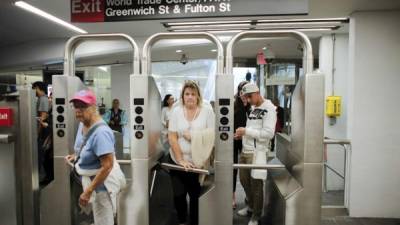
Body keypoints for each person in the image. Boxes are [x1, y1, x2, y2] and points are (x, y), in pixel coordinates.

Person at [65, 89, 126, 225]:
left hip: (101, 187)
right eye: (76, 106)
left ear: (94, 107)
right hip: (89, 183)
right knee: (96, 218)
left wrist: (88, 191)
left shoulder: (101, 133)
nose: (78, 110)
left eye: (83, 106)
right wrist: (77, 156)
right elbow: (87, 147)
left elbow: (107, 166)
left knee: (103, 220)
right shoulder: (83, 124)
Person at [168, 81, 215, 225]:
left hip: (197, 163)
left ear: (198, 96)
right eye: (187, 94)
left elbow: (213, 134)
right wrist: (180, 159)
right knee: (178, 196)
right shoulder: (176, 112)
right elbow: (172, 136)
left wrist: (194, 135)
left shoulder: (207, 111)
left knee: (195, 198)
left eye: (193, 94)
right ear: (182, 96)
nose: (190, 97)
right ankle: (182, 221)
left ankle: (194, 222)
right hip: (177, 162)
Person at [235, 83, 277, 225]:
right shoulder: (253, 109)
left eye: (250, 96)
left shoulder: (269, 109)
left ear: (258, 92)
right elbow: (252, 129)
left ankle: (256, 216)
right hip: (245, 151)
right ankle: (251, 207)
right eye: (246, 97)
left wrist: (246, 132)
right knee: (244, 181)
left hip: (257, 153)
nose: (249, 100)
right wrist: (242, 135)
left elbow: (269, 133)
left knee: (256, 185)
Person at [233, 81, 251, 209]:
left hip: (248, 140)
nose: (244, 94)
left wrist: (247, 104)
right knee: (233, 169)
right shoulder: (234, 105)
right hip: (234, 139)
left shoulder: (252, 105)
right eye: (242, 91)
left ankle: (248, 196)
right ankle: (232, 196)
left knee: (248, 169)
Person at [32, 81, 49, 184]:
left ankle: (37, 177)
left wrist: (37, 134)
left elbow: (42, 117)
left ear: (37, 88)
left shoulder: (43, 99)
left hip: (42, 131)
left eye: (34, 89)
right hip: (41, 131)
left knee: (40, 154)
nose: (34, 91)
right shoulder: (41, 99)